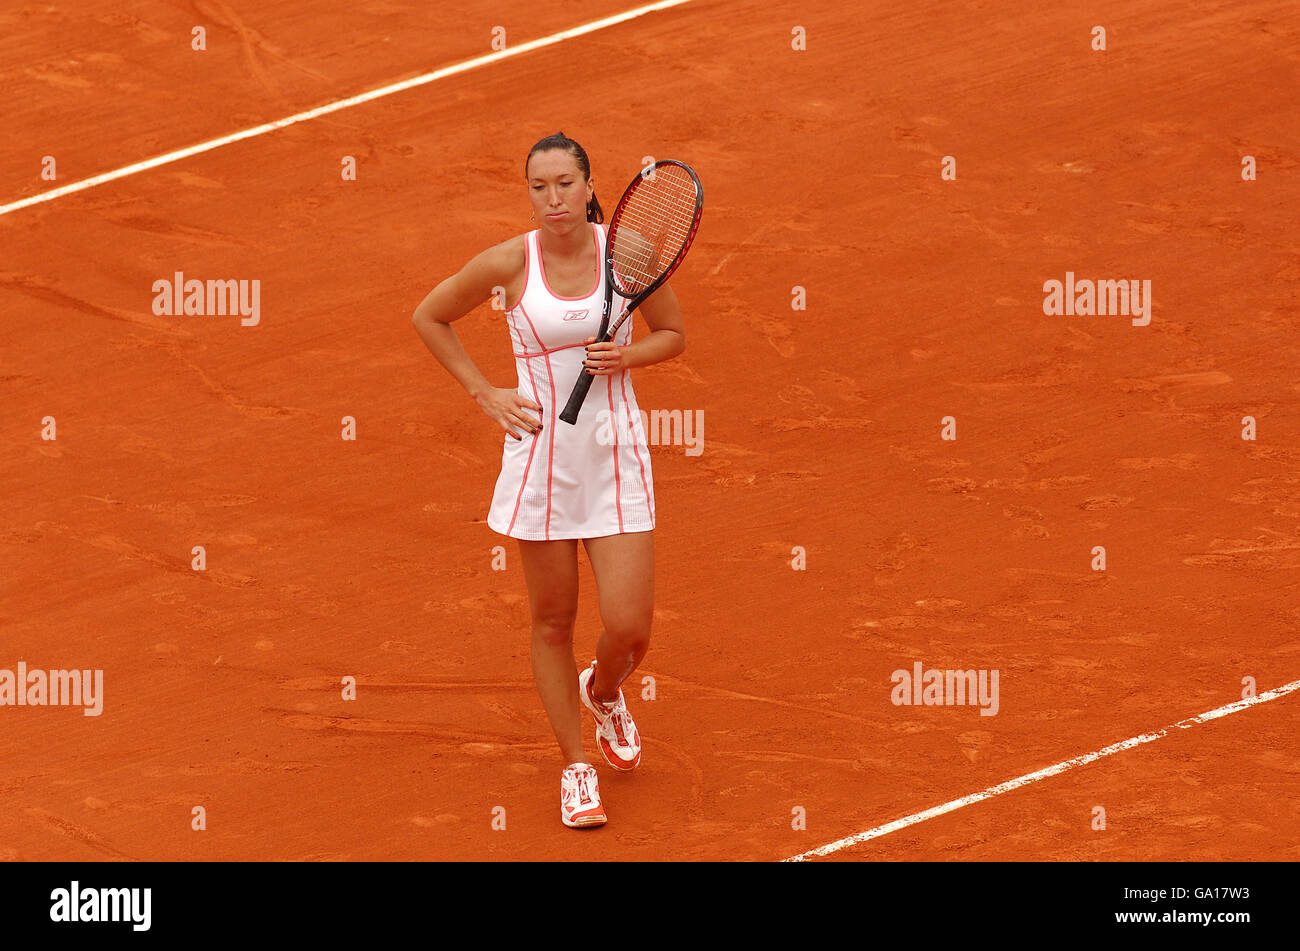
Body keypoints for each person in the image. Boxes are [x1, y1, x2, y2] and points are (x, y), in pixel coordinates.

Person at [412, 131, 686, 827]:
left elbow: (673, 333)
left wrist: (629, 359)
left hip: (615, 455)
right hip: (541, 461)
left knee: (629, 628)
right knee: (553, 621)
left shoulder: (625, 253)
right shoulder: (510, 262)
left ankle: (606, 689)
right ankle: (575, 768)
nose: (553, 199)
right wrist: (486, 393)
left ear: (591, 187)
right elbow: (431, 314)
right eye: (539, 187)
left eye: (565, 184)